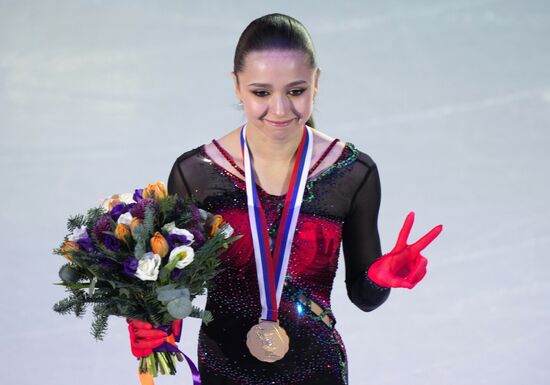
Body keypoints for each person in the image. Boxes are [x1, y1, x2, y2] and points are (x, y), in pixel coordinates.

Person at [129, 13, 442, 385]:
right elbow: (179, 283)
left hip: (316, 371)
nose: (279, 110)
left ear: (316, 83)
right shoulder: (197, 173)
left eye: (296, 91)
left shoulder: (351, 173)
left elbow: (363, 296)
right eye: (261, 92)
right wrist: (155, 324)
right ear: (237, 86)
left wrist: (380, 278)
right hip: (224, 370)